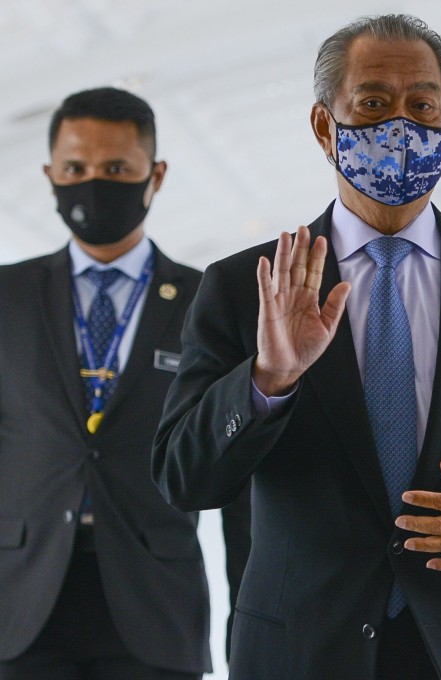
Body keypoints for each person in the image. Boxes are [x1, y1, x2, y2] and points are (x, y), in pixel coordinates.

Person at [152, 14, 441, 680]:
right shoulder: (244, 287)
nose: (401, 126)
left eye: (422, 106)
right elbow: (183, 475)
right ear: (325, 126)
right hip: (301, 650)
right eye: (373, 103)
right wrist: (268, 378)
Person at [0, 87, 251, 678]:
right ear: (49, 174)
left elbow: (236, 472)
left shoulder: (208, 301)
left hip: (155, 603)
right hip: (21, 603)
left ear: (154, 175)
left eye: (116, 169)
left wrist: (251, 632)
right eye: (75, 169)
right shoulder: (8, 296)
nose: (92, 183)